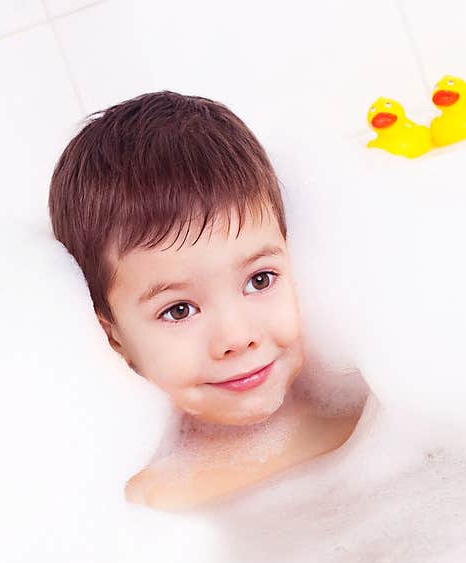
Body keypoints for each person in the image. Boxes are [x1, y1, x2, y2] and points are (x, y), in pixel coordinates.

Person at [48, 91, 368, 510]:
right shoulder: (146, 501)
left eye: (260, 279)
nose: (237, 337)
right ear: (114, 338)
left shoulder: (377, 407)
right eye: (179, 310)